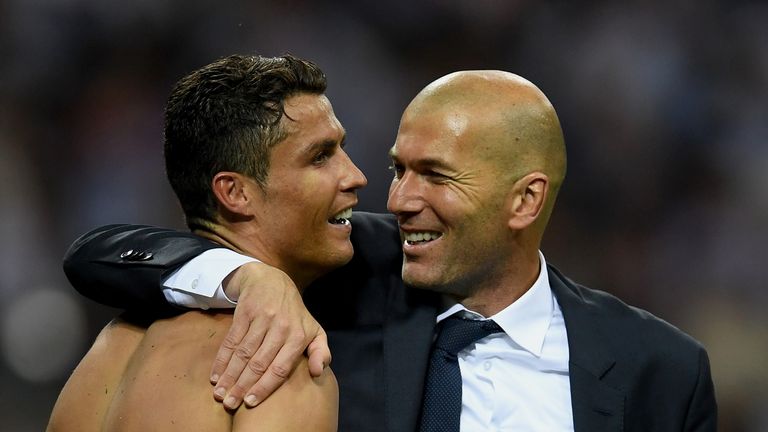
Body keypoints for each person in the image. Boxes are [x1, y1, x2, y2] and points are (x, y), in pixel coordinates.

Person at [62, 70, 718, 431]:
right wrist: (245, 277)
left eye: (434, 175)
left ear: (524, 202)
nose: (396, 197)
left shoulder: (659, 370)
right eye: (398, 168)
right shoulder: (347, 270)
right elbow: (103, 253)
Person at [48, 53, 372, 431]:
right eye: (320, 157)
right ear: (235, 192)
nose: (355, 175)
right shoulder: (272, 364)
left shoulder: (108, 350)